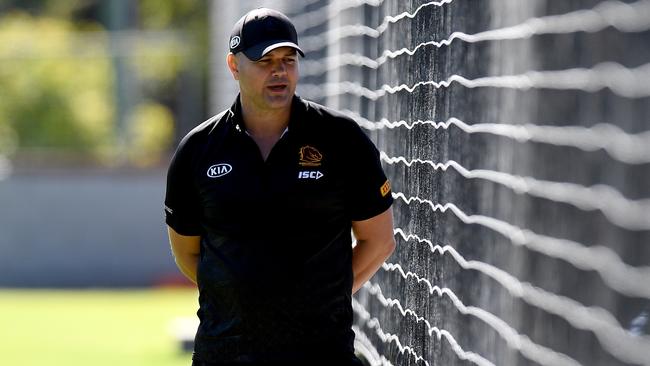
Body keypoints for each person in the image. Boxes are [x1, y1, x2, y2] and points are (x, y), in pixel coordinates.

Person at [164, 7, 395, 365]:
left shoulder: (341, 139)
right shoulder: (198, 150)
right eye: (264, 60)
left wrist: (316, 300)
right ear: (233, 66)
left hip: (321, 354)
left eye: (288, 59)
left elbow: (378, 240)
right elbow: (187, 253)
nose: (279, 71)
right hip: (225, 354)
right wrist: (244, 299)